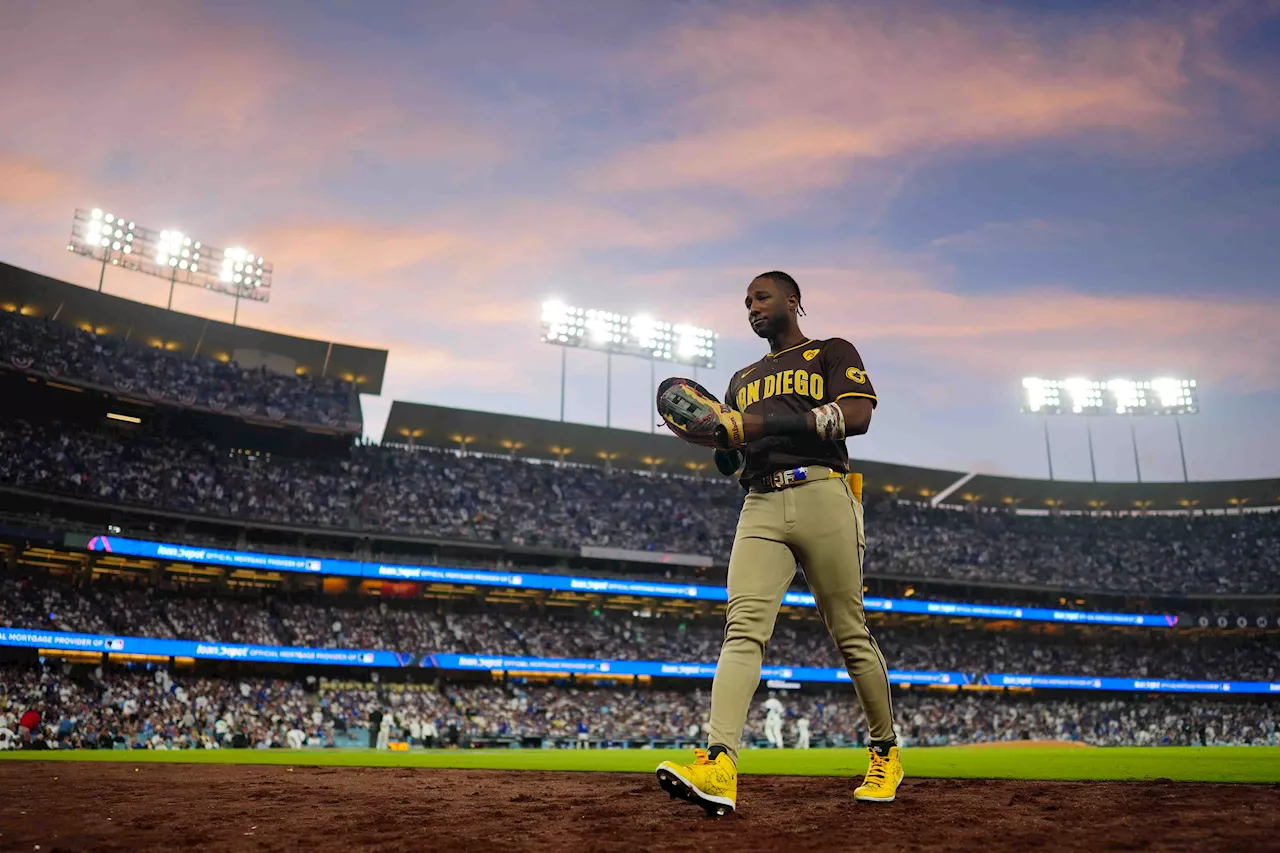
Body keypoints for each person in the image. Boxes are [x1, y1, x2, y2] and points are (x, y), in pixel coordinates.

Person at [657, 271, 903, 815]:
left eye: (761, 297)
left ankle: (885, 752)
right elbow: (733, 454)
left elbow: (856, 417)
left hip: (824, 492)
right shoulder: (742, 377)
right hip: (760, 504)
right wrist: (715, 438)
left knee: (849, 632)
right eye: (746, 302)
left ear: (793, 301)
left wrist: (751, 423)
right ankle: (720, 764)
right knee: (741, 629)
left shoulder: (830, 351)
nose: (751, 307)